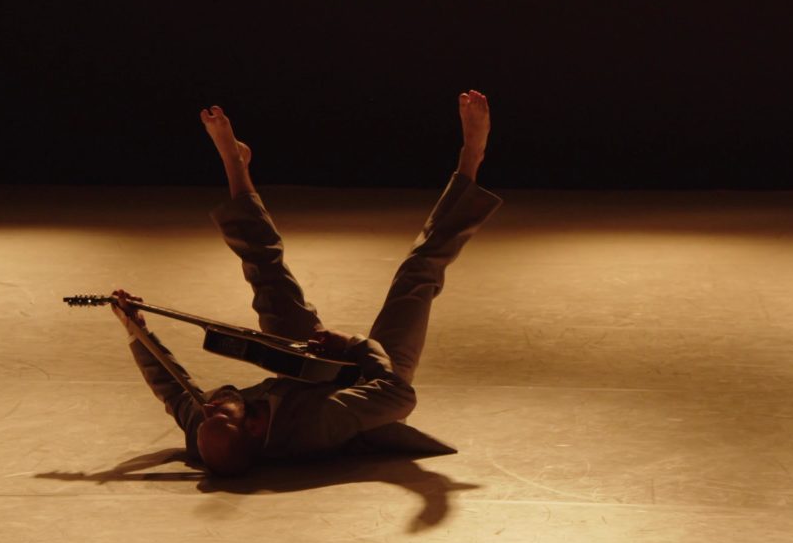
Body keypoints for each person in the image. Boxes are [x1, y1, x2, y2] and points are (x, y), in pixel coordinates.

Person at [110, 91, 502, 476]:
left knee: (267, 275)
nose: (208, 407)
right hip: (370, 379)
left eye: (205, 416)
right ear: (255, 427)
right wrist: (350, 344)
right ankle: (471, 160)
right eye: (220, 416)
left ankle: (236, 166)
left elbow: (173, 390)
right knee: (417, 273)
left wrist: (135, 330)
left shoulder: (206, 429)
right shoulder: (316, 426)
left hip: (305, 370)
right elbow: (397, 394)